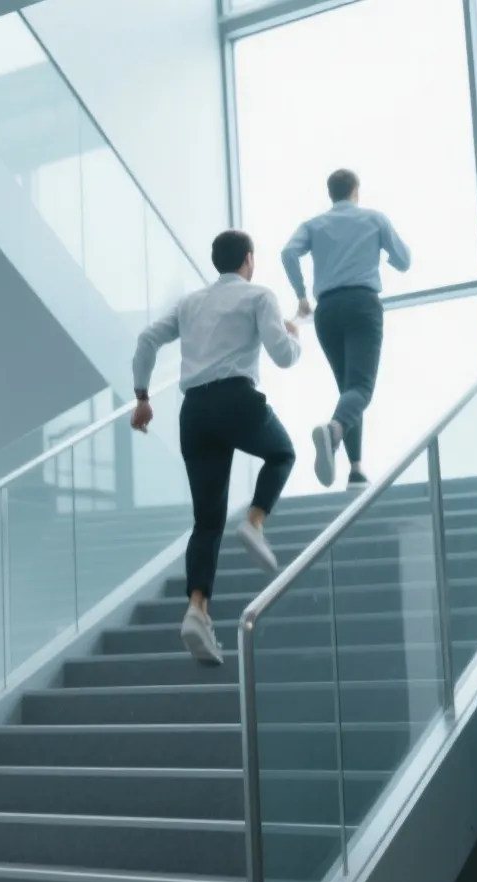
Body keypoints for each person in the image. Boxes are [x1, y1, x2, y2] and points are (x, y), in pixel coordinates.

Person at [131, 230, 301, 667]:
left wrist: (142, 397)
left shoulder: (190, 303)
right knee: (282, 453)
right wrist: (293, 335)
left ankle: (197, 610)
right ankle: (256, 522)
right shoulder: (259, 295)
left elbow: (147, 339)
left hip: (195, 412)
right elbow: (282, 355)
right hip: (236, 400)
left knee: (206, 523)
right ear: (248, 260)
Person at [280, 168, 412, 489]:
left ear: (331, 193)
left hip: (327, 311)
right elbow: (405, 260)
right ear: (356, 190)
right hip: (362, 305)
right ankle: (334, 431)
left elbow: (288, 252)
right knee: (361, 389)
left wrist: (300, 295)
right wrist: (387, 259)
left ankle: (355, 468)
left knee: (349, 391)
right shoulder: (373, 219)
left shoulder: (314, 224)